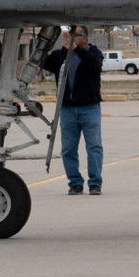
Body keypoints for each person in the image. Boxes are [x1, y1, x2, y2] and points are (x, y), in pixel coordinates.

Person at [47, 26, 105, 194]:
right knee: (68, 149)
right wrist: (49, 48)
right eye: (71, 35)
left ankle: (95, 182)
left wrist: (77, 49)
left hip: (89, 107)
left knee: (94, 146)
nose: (72, 38)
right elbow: (46, 63)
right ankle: (75, 183)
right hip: (67, 109)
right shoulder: (62, 54)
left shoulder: (93, 53)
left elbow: (94, 66)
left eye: (76, 35)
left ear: (85, 38)